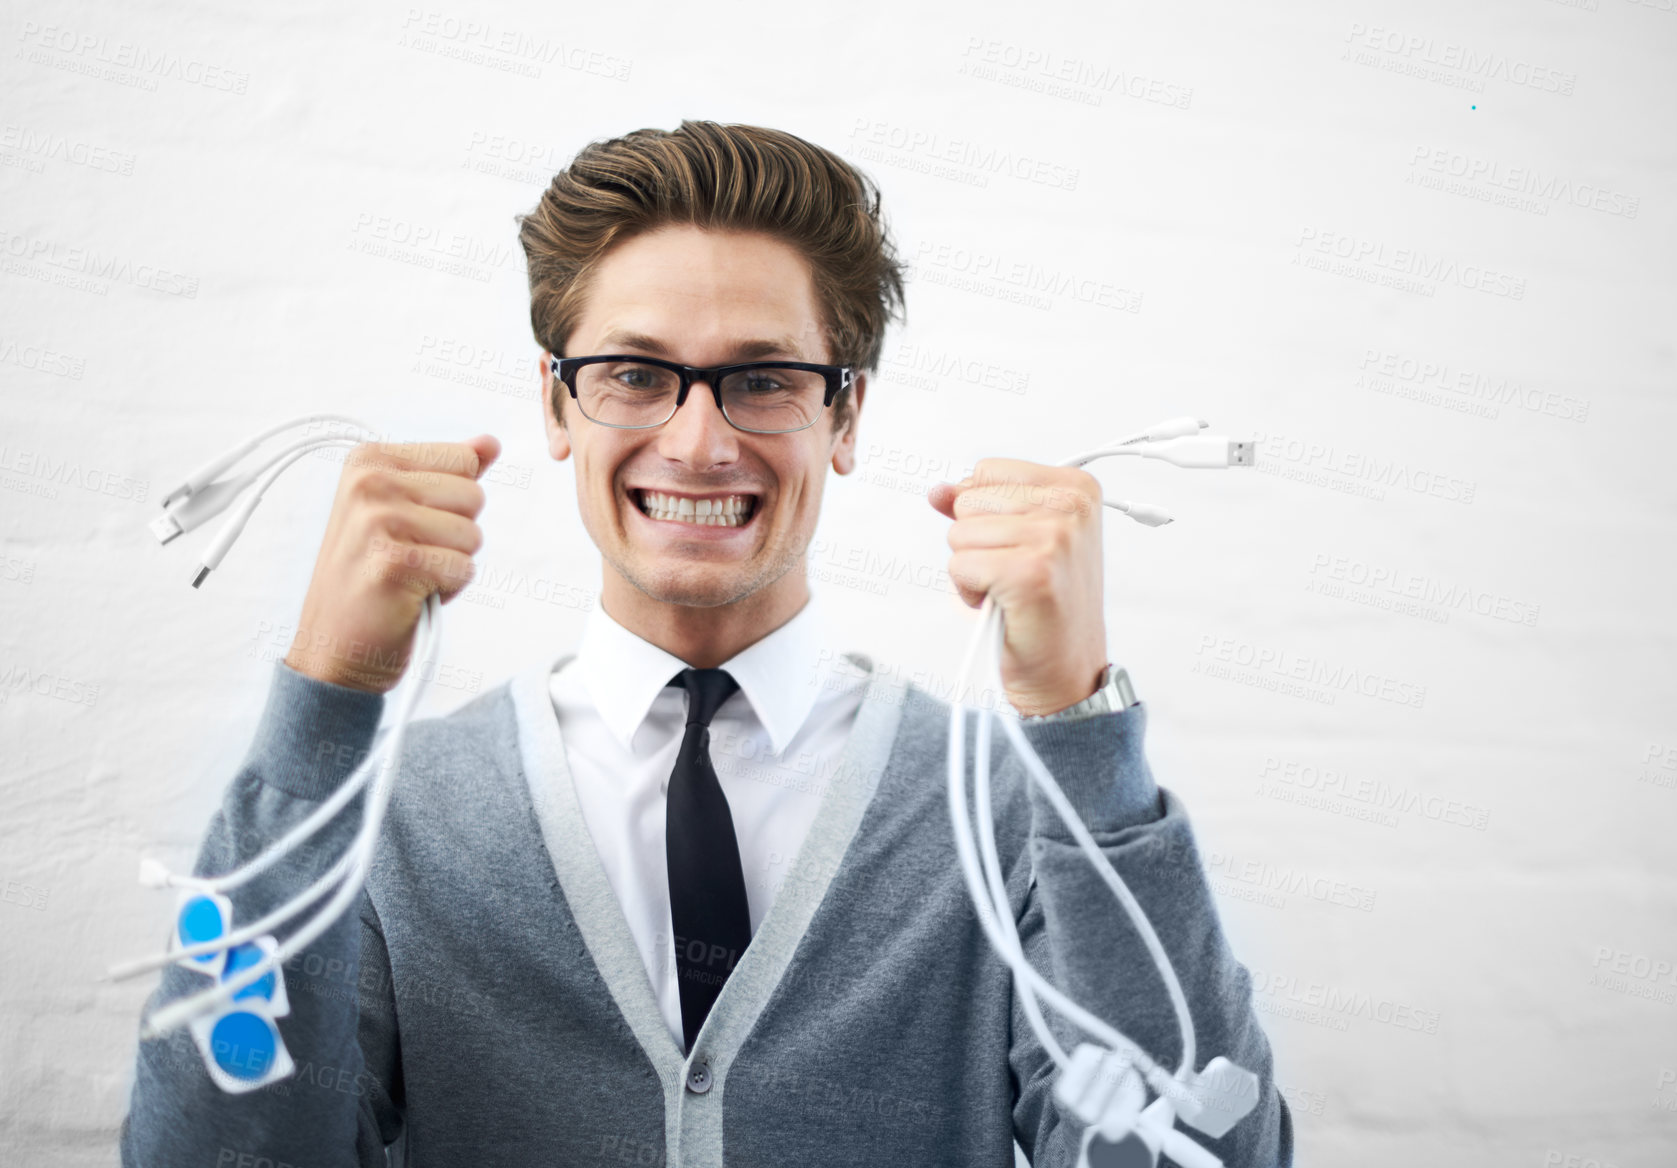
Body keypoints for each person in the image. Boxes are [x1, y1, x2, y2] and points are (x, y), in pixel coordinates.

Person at [120, 120, 1292, 1167]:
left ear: (845, 415)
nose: (698, 440)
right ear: (554, 404)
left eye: (763, 380)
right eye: (633, 374)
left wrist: (1076, 724)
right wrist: (323, 710)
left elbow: (1209, 1152)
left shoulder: (1003, 812)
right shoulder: (398, 816)